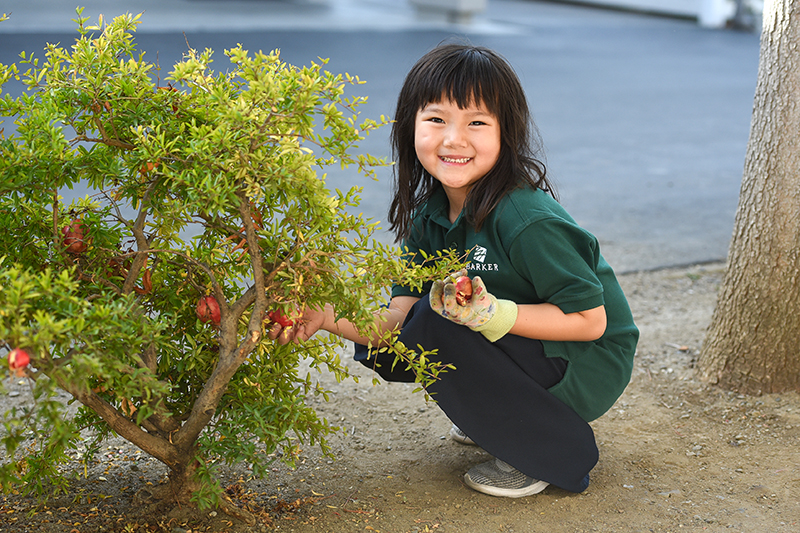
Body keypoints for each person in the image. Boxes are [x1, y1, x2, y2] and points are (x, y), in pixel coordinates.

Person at [269, 43, 639, 498]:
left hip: (585, 362)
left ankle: (546, 447)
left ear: (508, 132)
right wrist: (327, 317)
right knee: (418, 330)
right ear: (410, 128)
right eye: (437, 119)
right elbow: (400, 324)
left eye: (477, 122)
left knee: (437, 319)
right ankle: (505, 415)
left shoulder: (527, 221)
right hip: (533, 348)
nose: (454, 139)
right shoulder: (432, 216)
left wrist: (489, 315)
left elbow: (591, 322)